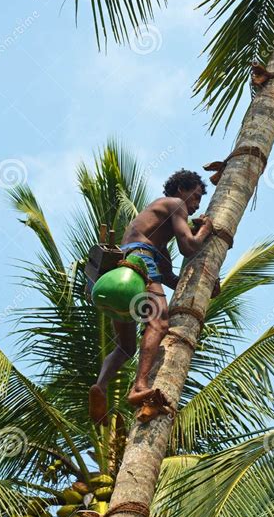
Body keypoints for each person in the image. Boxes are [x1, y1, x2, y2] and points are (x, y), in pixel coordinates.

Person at [88, 169, 220, 425]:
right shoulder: (174, 204)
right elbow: (190, 246)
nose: (194, 207)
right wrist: (207, 229)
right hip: (140, 264)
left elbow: (169, 277)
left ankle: (100, 387)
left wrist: (207, 284)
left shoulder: (153, 228)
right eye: (195, 198)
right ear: (182, 189)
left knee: (125, 347)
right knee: (159, 324)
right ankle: (139, 386)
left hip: (121, 276)